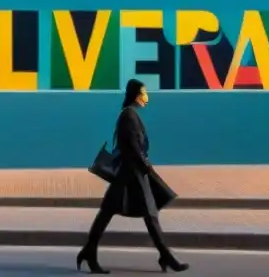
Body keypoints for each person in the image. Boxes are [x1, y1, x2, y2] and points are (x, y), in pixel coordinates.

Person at [77, 78, 190, 274]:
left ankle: (89, 251)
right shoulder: (129, 116)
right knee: (144, 214)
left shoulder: (130, 115)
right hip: (131, 175)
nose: (147, 97)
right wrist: (147, 167)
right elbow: (134, 149)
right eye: (144, 92)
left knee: (119, 213)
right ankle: (165, 256)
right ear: (137, 95)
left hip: (131, 174)